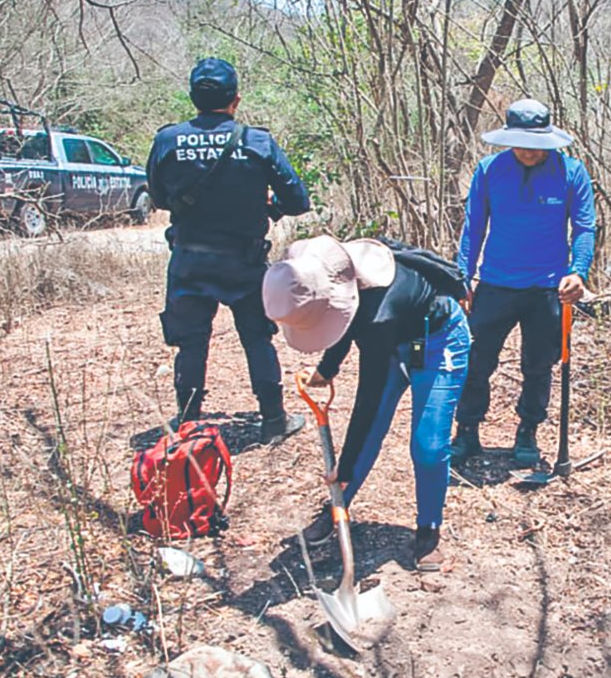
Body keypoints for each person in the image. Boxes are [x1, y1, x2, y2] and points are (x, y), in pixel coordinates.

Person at [264, 236, 470, 571]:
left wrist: (343, 467)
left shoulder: (381, 314)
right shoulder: (333, 275)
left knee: (428, 446)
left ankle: (428, 530)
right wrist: (327, 369)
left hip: (439, 341)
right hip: (395, 342)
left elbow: (368, 400)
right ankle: (337, 509)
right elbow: (344, 317)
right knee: (369, 436)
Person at [146, 58, 310, 444]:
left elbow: (157, 197)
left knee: (190, 341)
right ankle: (273, 420)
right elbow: (298, 199)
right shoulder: (256, 141)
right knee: (257, 337)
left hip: (189, 258)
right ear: (235, 99)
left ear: (192, 98)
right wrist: (269, 209)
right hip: (244, 260)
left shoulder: (168, 140)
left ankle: (187, 423)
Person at [451, 98, 597, 468]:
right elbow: (473, 227)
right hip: (496, 283)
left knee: (539, 364)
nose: (528, 151)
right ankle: (467, 429)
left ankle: (528, 430)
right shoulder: (489, 170)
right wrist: (462, 277)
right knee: (476, 360)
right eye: (521, 143)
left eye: (536, 144)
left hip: (548, 287)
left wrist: (578, 272)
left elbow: (584, 227)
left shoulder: (571, 172)